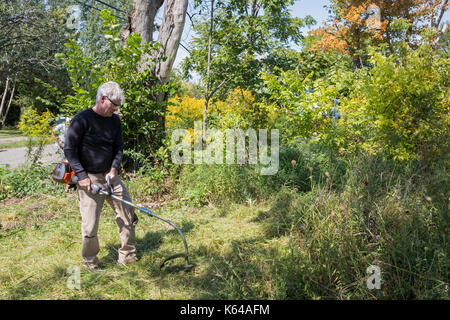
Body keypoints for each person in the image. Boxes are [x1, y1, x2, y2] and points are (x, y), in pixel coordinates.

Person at [64, 81, 138, 270]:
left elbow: (118, 148)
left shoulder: (114, 121)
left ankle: (127, 256)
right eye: (114, 106)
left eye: (118, 106)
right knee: (90, 224)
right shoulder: (81, 119)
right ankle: (90, 261)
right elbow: (70, 150)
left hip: (110, 176)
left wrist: (114, 169)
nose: (116, 110)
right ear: (103, 98)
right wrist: (82, 176)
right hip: (89, 178)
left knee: (128, 214)